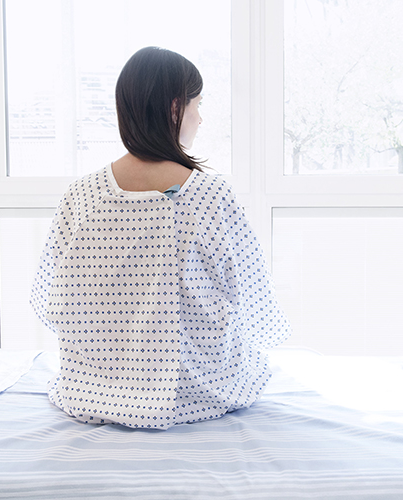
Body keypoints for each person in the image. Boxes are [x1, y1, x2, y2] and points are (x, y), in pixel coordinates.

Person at [31, 46, 290, 429]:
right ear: (174, 109)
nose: (200, 119)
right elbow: (254, 302)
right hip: (195, 390)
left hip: (91, 389)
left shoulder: (80, 196)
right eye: (197, 105)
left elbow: (48, 301)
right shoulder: (210, 195)